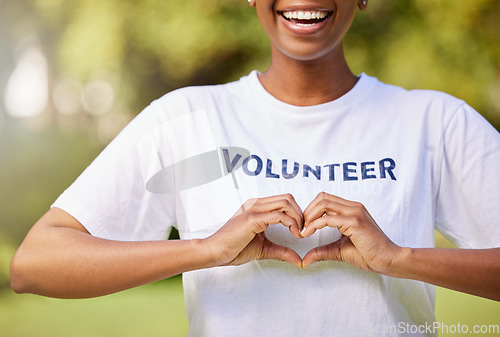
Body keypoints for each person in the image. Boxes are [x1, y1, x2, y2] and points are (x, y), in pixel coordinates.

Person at [10, 0, 500, 336]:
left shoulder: (436, 121)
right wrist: (203, 250)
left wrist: (397, 258)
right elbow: (36, 263)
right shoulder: (187, 119)